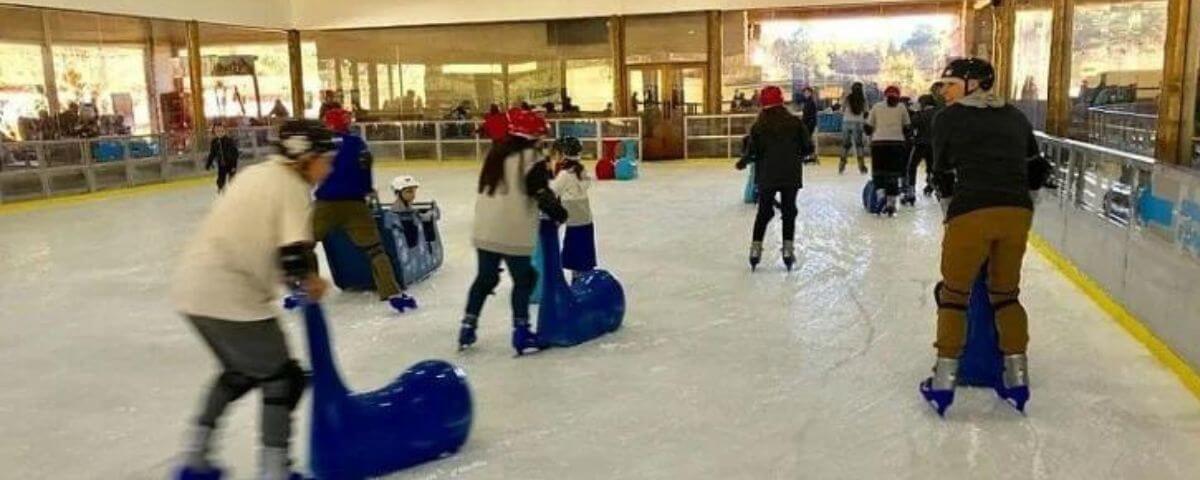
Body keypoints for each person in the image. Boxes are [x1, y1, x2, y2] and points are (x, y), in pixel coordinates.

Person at [171, 120, 336, 480]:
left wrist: (299, 276)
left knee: (240, 373)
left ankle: (194, 459)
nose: (329, 169)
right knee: (283, 379)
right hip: (231, 294)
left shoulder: (256, 174)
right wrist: (310, 282)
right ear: (305, 157)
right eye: (326, 160)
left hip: (192, 288)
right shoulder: (293, 187)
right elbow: (293, 256)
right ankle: (275, 472)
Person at [919, 58, 1052, 416]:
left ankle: (943, 384)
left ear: (974, 83)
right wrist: (1023, 206)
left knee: (954, 295)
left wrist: (951, 212)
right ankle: (1017, 379)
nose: (945, 91)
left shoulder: (947, 118)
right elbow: (1036, 168)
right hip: (1017, 213)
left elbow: (942, 172)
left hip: (971, 211)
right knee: (1006, 295)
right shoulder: (1015, 116)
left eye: (951, 84)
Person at [458, 108, 568, 355]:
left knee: (485, 278)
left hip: (485, 229)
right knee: (525, 279)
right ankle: (521, 332)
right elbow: (539, 191)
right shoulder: (531, 157)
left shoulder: (496, 152)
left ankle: (467, 326)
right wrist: (559, 213)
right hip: (512, 230)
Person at [313, 107, 417, 313]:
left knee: (304, 243)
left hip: (326, 203)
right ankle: (393, 293)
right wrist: (367, 190)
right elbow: (365, 169)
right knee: (375, 249)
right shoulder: (357, 143)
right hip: (355, 204)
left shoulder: (320, 144)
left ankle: (303, 288)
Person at [735, 85, 813, 271]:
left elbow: (752, 151)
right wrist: (799, 154)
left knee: (763, 212)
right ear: (781, 101)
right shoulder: (794, 122)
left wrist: (743, 162)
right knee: (789, 211)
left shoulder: (759, 126)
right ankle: (787, 250)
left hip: (767, 175)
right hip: (790, 174)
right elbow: (808, 147)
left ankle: (755, 250)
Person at [549, 137, 596, 280]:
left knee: (575, 255)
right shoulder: (581, 170)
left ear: (563, 154)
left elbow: (552, 191)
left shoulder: (565, 174)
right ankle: (583, 279)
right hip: (585, 220)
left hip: (573, 221)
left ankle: (578, 281)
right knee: (584, 253)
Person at [865, 85, 911, 217]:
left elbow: (868, 128)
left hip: (879, 144)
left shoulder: (876, 107)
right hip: (897, 144)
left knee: (879, 173)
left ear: (884, 95)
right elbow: (907, 127)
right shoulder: (902, 107)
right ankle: (891, 204)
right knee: (893, 175)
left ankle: (880, 196)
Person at [905, 94, 940, 202]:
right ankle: (932, 186)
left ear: (923, 103)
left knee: (912, 166)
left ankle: (911, 191)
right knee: (932, 167)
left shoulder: (919, 115)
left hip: (920, 145)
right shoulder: (939, 113)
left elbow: (910, 127)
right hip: (934, 145)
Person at [840, 82, 869, 175]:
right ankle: (861, 167)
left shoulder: (847, 98)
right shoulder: (863, 99)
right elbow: (866, 112)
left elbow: (842, 110)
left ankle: (841, 166)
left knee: (845, 145)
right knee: (859, 145)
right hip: (858, 123)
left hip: (846, 122)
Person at [205, 124, 241, 193]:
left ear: (224, 131)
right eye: (217, 131)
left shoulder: (229, 140)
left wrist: (234, 165)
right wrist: (208, 164)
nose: (219, 132)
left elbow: (235, 153)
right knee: (220, 181)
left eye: (221, 131)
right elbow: (212, 154)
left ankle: (234, 193)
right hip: (221, 165)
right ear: (215, 132)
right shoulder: (214, 142)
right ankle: (221, 192)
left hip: (230, 164)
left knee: (232, 181)